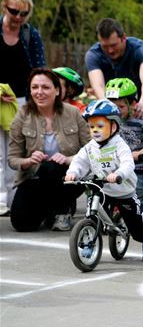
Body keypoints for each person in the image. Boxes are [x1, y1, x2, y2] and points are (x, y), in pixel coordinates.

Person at [85, 18, 143, 218]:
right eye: (105, 46)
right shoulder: (94, 54)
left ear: (123, 38)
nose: (109, 51)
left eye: (113, 45)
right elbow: (98, 85)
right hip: (113, 103)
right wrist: (108, 108)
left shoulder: (140, 49)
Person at [64, 99, 143, 262]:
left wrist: (119, 174)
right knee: (91, 214)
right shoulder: (90, 147)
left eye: (100, 126)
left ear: (114, 126)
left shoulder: (120, 145)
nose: (95, 130)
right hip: (102, 188)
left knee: (135, 220)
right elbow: (79, 161)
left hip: (123, 190)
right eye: (92, 127)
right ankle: (88, 243)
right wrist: (73, 173)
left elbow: (128, 163)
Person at [8, 68, 89, 231]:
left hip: (70, 176)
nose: (39, 92)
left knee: (51, 167)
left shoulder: (73, 113)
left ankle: (63, 209)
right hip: (34, 177)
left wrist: (68, 159)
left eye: (45, 87)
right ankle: (52, 210)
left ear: (57, 90)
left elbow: (92, 149)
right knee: (22, 223)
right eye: (35, 87)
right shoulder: (22, 115)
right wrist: (29, 160)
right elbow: (13, 159)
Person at [1, 0, 46, 215]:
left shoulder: (30, 34)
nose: (18, 17)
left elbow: (39, 69)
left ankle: (14, 203)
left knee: (16, 152)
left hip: (20, 100)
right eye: (14, 11)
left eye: (24, 13)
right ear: (4, 7)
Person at [105, 77, 143, 233]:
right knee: (105, 189)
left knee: (138, 190)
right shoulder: (111, 121)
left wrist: (140, 153)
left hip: (139, 166)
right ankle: (109, 220)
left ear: (133, 104)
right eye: (112, 106)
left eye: (121, 106)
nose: (116, 111)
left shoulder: (142, 120)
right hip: (117, 165)